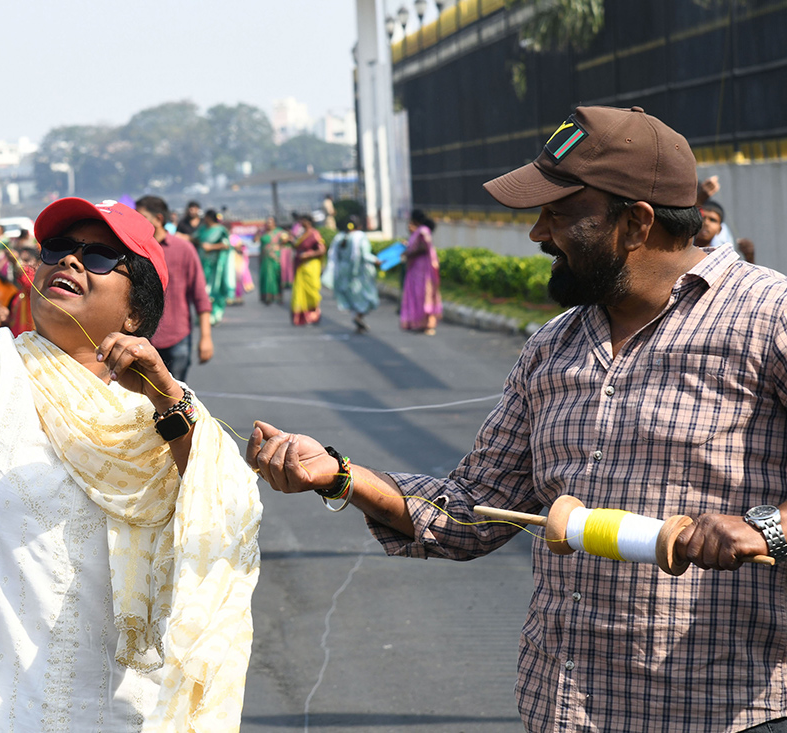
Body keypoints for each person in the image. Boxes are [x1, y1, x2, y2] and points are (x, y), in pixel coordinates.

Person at [248, 104, 787, 732]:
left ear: (635, 223)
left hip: (725, 715)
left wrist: (769, 528)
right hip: (564, 711)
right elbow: (471, 509)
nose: (537, 234)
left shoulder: (768, 319)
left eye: (557, 213)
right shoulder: (551, 348)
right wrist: (339, 476)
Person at [0, 81, 260, 731]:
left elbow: (225, 505)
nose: (68, 258)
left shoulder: (168, 416)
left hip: (114, 712)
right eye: (55, 249)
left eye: (97, 253)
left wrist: (165, 395)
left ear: (137, 306)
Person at [135, 195, 213, 382]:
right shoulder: (135, 251)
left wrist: (206, 337)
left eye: (141, 218)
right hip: (142, 338)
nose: (137, 223)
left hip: (178, 335)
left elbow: (200, 296)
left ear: (159, 219)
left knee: (176, 397)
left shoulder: (184, 249)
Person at [324, 216, 380, 333]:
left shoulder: (339, 237)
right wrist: (376, 260)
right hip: (359, 272)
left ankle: (358, 320)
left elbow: (333, 256)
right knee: (366, 297)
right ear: (359, 226)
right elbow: (364, 255)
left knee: (352, 296)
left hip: (343, 272)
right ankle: (359, 317)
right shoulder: (360, 237)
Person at [399, 209, 442, 335]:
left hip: (423, 268)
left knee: (424, 294)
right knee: (416, 295)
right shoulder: (418, 232)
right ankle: (419, 323)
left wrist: (409, 253)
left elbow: (423, 247)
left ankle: (429, 324)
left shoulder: (423, 231)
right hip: (415, 268)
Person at [194, 209, 233, 325]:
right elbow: (195, 238)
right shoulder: (203, 229)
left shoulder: (220, 231)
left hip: (216, 267)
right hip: (203, 265)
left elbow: (226, 245)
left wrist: (211, 247)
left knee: (215, 289)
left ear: (209, 218)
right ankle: (202, 317)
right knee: (202, 290)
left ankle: (215, 315)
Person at [290, 215, 325, 326]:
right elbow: (297, 247)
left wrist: (308, 255)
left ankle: (314, 315)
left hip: (311, 266)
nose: (301, 223)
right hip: (301, 267)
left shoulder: (314, 234)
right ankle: (301, 317)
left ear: (308, 222)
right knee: (300, 293)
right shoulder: (301, 234)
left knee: (312, 292)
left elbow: (321, 250)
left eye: (303, 221)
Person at [257, 216, 285, 305]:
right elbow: (255, 240)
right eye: (267, 222)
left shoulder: (279, 232)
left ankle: (278, 296)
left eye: (270, 222)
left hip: (275, 258)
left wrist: (278, 246)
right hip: (265, 258)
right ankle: (267, 296)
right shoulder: (263, 232)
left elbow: (287, 239)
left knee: (276, 276)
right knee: (266, 276)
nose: (268, 224)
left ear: (274, 223)